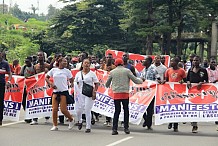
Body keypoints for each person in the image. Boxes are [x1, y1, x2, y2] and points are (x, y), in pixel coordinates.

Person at [105, 58, 143, 135]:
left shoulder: (112, 72)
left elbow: (107, 84)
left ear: (115, 64)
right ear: (122, 63)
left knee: (117, 111)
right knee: (126, 111)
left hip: (116, 94)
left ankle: (114, 129)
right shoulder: (127, 71)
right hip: (125, 93)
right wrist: (142, 80)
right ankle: (126, 128)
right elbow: (135, 80)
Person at [45, 57, 74, 131]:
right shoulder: (54, 70)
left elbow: (71, 79)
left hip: (63, 92)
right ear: (59, 62)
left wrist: (72, 84)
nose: (65, 63)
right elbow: (46, 78)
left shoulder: (67, 71)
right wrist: (51, 84)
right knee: (54, 109)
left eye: (66, 62)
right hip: (55, 92)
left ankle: (71, 119)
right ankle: (55, 125)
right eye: (64, 61)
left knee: (63, 109)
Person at [74, 59, 99, 133]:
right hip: (79, 94)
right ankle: (80, 120)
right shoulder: (78, 74)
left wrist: (94, 91)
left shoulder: (92, 74)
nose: (86, 64)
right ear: (82, 65)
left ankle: (88, 127)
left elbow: (96, 83)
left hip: (88, 93)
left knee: (87, 109)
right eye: (85, 63)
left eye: (88, 63)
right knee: (79, 110)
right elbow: (75, 82)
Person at [187, 56, 208, 133]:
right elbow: (187, 79)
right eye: (194, 60)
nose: (195, 62)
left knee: (197, 108)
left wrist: (201, 83)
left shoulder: (203, 70)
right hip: (191, 93)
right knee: (192, 108)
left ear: (200, 61)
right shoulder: (190, 70)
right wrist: (188, 82)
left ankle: (195, 123)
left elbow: (207, 81)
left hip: (200, 92)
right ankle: (194, 124)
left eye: (197, 60)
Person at [164, 58, 186, 132]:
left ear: (177, 62)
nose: (171, 63)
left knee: (176, 108)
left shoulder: (182, 71)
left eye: (173, 61)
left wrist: (182, 81)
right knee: (170, 107)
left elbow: (185, 80)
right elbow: (166, 80)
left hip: (179, 92)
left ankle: (175, 125)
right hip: (170, 92)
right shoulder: (168, 70)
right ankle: (170, 122)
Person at [140, 56, 162, 130]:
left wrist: (159, 81)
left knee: (149, 109)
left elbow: (158, 78)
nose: (143, 61)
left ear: (149, 61)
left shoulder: (153, 69)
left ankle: (149, 124)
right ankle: (146, 120)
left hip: (151, 92)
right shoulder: (143, 70)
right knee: (141, 107)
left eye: (144, 60)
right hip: (143, 92)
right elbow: (141, 78)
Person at [30, 51, 51, 125]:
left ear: (43, 56)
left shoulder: (47, 65)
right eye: (38, 55)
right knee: (36, 101)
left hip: (46, 87)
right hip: (38, 87)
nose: (40, 57)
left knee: (46, 101)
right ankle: (35, 119)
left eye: (41, 55)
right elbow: (32, 76)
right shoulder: (35, 66)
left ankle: (47, 118)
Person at [0, 50, 12, 126]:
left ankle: (0, 119)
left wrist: (9, 81)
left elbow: (10, 73)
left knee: (1, 102)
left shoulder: (5, 63)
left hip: (1, 84)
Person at [206, 58, 218, 131]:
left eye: (214, 62)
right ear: (209, 63)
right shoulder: (206, 70)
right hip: (209, 89)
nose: (213, 63)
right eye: (212, 62)